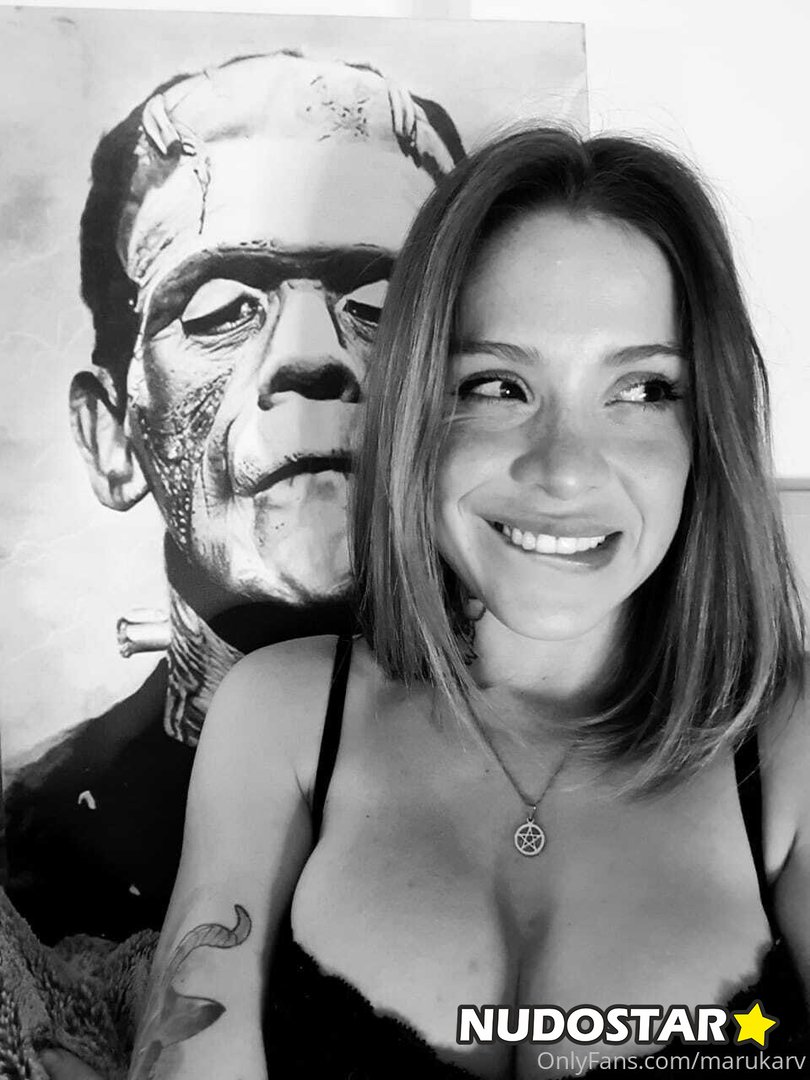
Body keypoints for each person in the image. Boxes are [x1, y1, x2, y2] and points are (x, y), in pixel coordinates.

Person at [130, 127, 809, 1080]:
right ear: (416, 412)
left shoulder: (789, 744)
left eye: (643, 388)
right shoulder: (281, 719)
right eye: (497, 385)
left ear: (707, 432)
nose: (564, 469)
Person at [4, 51, 463, 943]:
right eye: (218, 309)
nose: (310, 356)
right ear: (112, 438)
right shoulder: (26, 840)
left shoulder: (593, 797)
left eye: (382, 304)